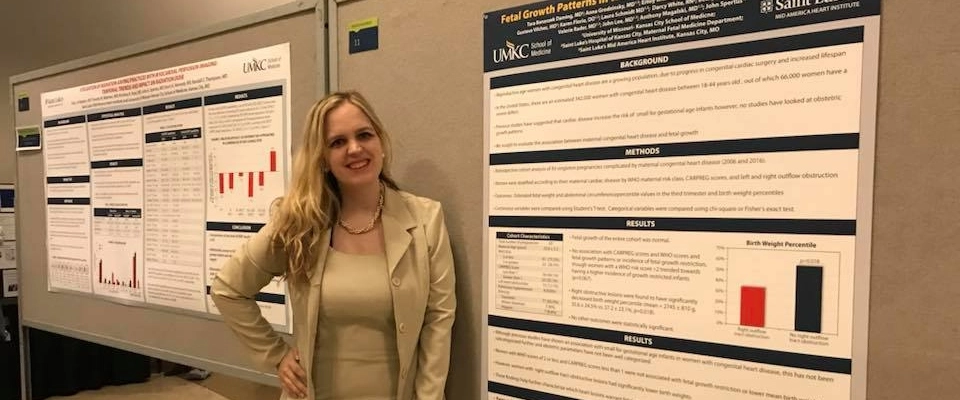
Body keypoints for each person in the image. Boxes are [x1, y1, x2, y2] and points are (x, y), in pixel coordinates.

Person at [211, 91, 456, 400]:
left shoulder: (425, 220)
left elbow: (438, 322)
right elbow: (228, 289)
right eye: (337, 142)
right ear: (323, 158)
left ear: (380, 141)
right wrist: (276, 355)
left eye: (364, 135)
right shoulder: (299, 223)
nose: (355, 149)